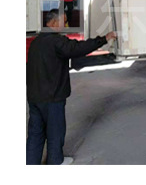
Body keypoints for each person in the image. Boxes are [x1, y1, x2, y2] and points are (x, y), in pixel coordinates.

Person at [26, 10, 116, 165]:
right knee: (55, 132)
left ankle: (30, 163)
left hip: (34, 97)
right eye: (64, 21)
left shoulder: (36, 42)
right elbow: (78, 48)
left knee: (35, 134)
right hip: (52, 98)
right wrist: (104, 39)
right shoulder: (56, 42)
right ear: (54, 22)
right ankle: (55, 162)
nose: (66, 25)